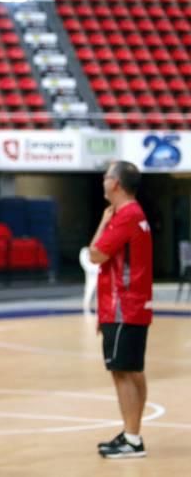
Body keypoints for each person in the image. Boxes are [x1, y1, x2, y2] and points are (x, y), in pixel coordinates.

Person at [90, 161, 153, 459]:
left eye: (106, 176)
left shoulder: (125, 216)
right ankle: (132, 433)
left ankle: (132, 439)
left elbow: (95, 254)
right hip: (130, 306)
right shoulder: (137, 214)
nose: (102, 181)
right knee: (132, 371)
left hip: (122, 307)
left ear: (115, 183)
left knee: (123, 372)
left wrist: (104, 221)